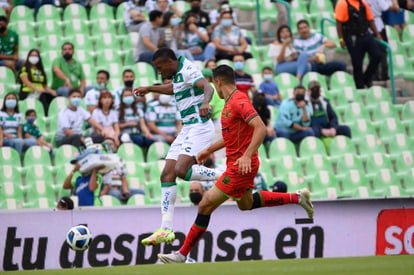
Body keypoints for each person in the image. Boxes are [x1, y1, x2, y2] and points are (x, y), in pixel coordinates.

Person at [157, 65, 314, 264]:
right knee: (246, 204)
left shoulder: (239, 101)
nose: (215, 89)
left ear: (219, 82)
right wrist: (208, 150)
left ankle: (182, 254)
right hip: (239, 164)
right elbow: (232, 135)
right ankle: (298, 198)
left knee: (205, 205)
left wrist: (247, 155)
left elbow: (260, 127)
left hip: (240, 167)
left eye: (215, 84)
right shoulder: (231, 103)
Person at [134, 48, 222, 246]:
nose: (158, 72)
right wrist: (150, 88)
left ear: (169, 63)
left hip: (199, 126)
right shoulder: (178, 72)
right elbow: (174, 88)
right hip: (187, 127)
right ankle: (166, 229)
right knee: (167, 174)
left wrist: (205, 103)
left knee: (182, 170)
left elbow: (208, 87)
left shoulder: (189, 70)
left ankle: (224, 174)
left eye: (159, 67)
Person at [335, 0, 383, 89]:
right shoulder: (343, 3)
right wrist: (341, 39)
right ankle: (360, 87)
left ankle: (367, 78)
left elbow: (370, 20)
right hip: (352, 37)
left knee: (377, 55)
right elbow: (339, 23)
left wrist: (377, 33)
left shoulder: (363, 3)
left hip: (365, 34)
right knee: (357, 64)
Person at [100, 137, 145, 203]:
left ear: (115, 146)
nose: (109, 146)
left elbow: (123, 178)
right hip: (107, 189)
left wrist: (125, 191)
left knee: (141, 192)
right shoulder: (100, 160)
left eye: (111, 144)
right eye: (107, 144)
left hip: (119, 188)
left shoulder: (119, 160)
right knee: (115, 194)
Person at [365, 0, 400, 81]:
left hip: (367, 25)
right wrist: (395, 6)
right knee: (382, 51)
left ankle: (375, 75)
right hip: (377, 24)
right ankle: (383, 75)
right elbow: (386, 7)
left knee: (372, 53)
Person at [19, 49, 56, 116]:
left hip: (41, 92)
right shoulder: (24, 68)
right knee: (43, 97)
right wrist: (37, 89)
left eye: (36, 55)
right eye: (32, 55)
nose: (34, 57)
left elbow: (44, 85)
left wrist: (52, 91)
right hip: (28, 92)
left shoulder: (40, 70)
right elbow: (26, 81)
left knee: (52, 97)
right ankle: (45, 114)